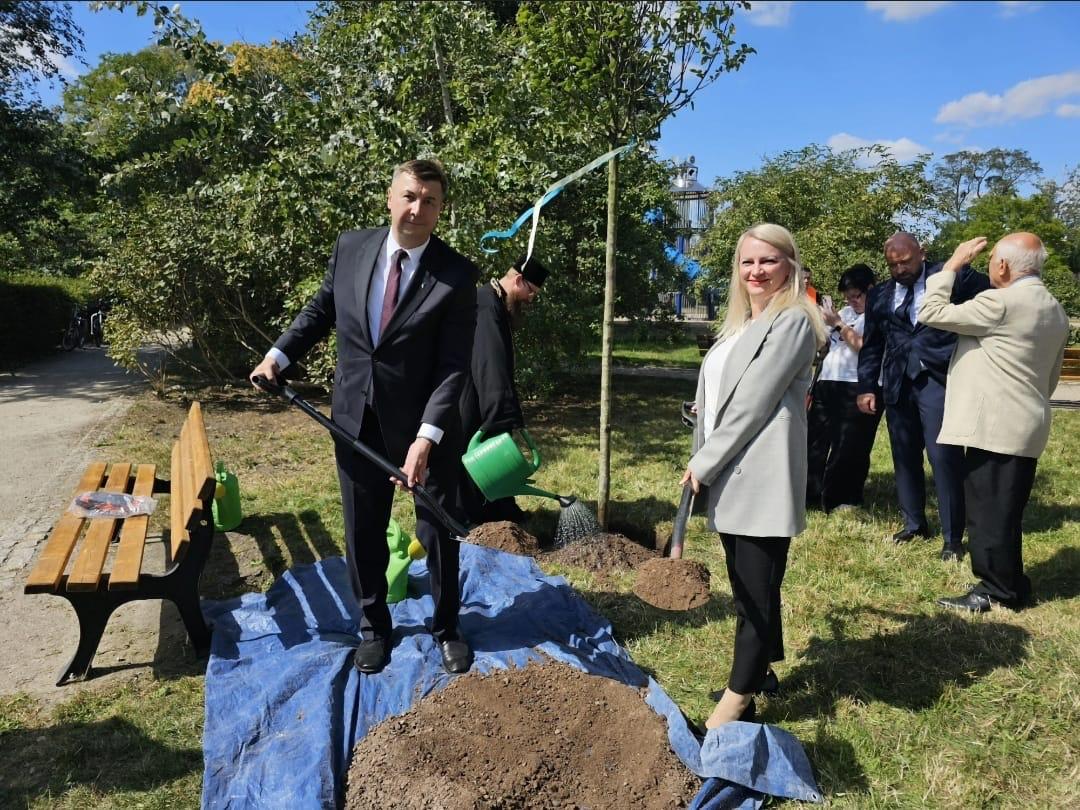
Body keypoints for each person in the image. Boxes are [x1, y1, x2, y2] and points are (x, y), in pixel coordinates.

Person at [249, 159, 479, 675]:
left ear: (441, 209)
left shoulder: (457, 275)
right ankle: (374, 626)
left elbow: (454, 367)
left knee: (437, 532)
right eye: (410, 196)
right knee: (363, 528)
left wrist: (425, 440)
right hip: (356, 418)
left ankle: (447, 627)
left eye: (430, 201)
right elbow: (319, 311)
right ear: (390, 198)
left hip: (426, 428)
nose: (417, 208)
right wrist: (277, 357)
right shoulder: (351, 248)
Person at [681, 223, 825, 727]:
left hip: (759, 472)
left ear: (790, 265)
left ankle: (736, 701)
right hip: (730, 469)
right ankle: (759, 671)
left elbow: (754, 403)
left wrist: (703, 462)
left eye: (768, 261)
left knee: (754, 593)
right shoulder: (742, 324)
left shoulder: (793, 321)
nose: (756, 271)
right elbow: (725, 395)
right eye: (748, 262)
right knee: (748, 585)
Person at [918, 233, 1069, 612]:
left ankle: (995, 591)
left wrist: (953, 264)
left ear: (1002, 265)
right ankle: (1012, 584)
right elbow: (1051, 377)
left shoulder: (1000, 302)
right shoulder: (1055, 309)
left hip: (994, 426)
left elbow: (931, 312)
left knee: (987, 514)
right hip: (1027, 421)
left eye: (990, 262)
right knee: (1006, 512)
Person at [856, 232, 990, 562]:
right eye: (892, 265)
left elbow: (991, 290)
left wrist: (963, 262)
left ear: (922, 253)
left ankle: (953, 538)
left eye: (905, 262)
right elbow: (872, 344)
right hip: (897, 383)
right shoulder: (880, 295)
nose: (899, 269)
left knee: (944, 458)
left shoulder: (950, 277)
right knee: (904, 456)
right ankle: (914, 524)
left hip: (938, 379)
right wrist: (867, 386)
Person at [458, 255, 548, 525]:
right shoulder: (486, 305)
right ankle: (477, 521)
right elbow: (489, 362)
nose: (531, 299)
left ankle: (501, 512)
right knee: (479, 463)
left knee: (492, 463)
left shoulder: (495, 302)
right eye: (531, 291)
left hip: (484, 397)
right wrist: (500, 413)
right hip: (475, 398)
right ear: (518, 280)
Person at [806, 264, 882, 512]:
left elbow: (863, 346)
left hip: (857, 383)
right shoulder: (846, 312)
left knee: (849, 444)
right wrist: (821, 323)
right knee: (815, 439)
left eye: (856, 296)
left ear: (870, 289)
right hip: (828, 380)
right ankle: (811, 492)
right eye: (848, 297)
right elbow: (823, 343)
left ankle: (844, 497)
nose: (852, 302)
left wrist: (838, 324)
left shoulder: (878, 313)